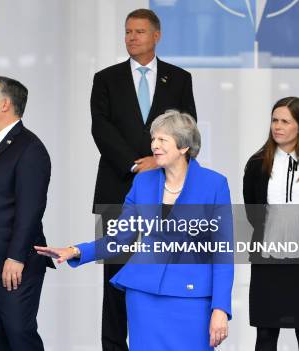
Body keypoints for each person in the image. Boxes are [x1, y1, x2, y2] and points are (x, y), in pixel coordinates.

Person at [37, 111, 233, 350]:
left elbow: (223, 252)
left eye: (163, 140)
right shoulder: (142, 183)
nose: (154, 146)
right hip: (144, 295)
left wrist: (220, 308)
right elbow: (120, 238)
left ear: (183, 147)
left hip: (191, 298)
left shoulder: (214, 184)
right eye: (154, 139)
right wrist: (76, 251)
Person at [90, 9, 196, 350]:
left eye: (139, 31)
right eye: (127, 32)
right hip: (118, 188)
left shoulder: (179, 79)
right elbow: (100, 128)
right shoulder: (106, 78)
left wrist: (158, 160)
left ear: (156, 35)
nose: (132, 37)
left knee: (163, 272)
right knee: (115, 278)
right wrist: (135, 165)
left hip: (166, 191)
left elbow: (188, 130)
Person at [243, 97, 299, 351]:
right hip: (268, 259)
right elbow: (253, 211)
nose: (277, 126)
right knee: (265, 335)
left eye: (285, 121)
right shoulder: (256, 163)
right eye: (274, 120)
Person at [0, 76, 53, 351]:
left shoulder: (30, 148)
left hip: (15, 265)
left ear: (5, 104)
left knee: (20, 336)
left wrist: (15, 256)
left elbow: (31, 208)